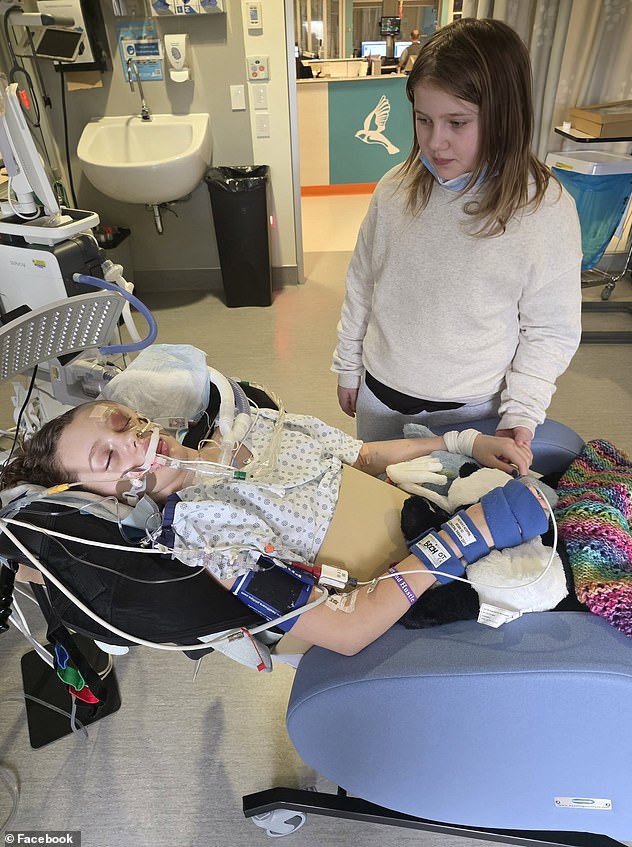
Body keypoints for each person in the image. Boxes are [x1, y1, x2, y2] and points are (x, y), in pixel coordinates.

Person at [1, 393, 548, 656]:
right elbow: (347, 629)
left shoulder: (256, 426)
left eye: (122, 423)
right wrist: (464, 536)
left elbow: (366, 456)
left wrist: (464, 442)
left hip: (435, 506)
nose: (132, 442)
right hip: (436, 578)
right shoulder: (205, 537)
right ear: (101, 500)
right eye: (107, 460)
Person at [332, 18, 582, 453]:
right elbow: (362, 283)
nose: (435, 142)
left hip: (474, 411)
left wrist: (522, 409)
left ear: (504, 118)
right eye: (423, 120)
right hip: (381, 396)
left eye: (458, 123)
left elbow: (550, 328)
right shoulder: (394, 189)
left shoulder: (544, 209)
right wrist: (348, 366)